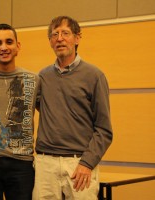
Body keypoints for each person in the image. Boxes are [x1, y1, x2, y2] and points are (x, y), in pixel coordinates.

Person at [32, 16, 113, 200]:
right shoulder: (42, 77)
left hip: (79, 163)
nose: (59, 38)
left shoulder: (95, 76)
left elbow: (104, 130)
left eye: (65, 33)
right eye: (54, 34)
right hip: (45, 164)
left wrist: (87, 163)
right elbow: (34, 103)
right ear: (50, 42)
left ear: (77, 38)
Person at [0, 23, 40, 200]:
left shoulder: (33, 80)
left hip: (22, 163)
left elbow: (54, 110)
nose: (4, 47)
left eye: (9, 42)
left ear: (18, 47)